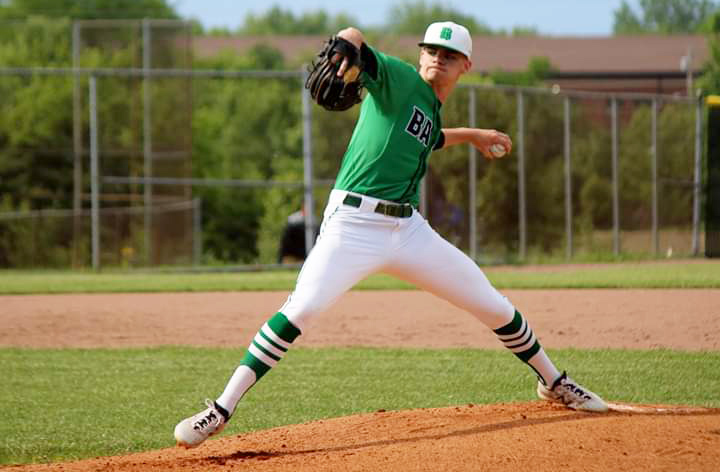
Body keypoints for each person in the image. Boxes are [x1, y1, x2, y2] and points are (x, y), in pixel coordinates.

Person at [174, 21, 608, 449]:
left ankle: (554, 383)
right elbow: (355, 36)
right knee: (302, 309)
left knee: (491, 303)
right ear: (420, 55)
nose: (439, 58)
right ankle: (220, 409)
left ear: (466, 66)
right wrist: (346, 46)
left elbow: (429, 138)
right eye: (432, 51)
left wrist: (475, 135)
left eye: (449, 55)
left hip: (407, 229)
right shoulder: (400, 78)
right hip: (353, 225)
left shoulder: (428, 106)